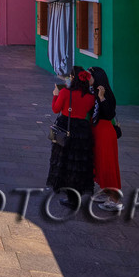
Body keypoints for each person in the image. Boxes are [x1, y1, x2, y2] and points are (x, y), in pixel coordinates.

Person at [46, 68, 96, 196]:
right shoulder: (91, 97)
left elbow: (55, 109)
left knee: (62, 157)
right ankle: (76, 188)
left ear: (73, 78)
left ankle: (63, 186)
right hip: (82, 129)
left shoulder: (64, 92)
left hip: (65, 125)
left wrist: (55, 94)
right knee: (77, 159)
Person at [88, 67, 122, 205]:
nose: (87, 77)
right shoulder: (91, 91)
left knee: (108, 165)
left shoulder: (106, 93)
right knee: (99, 164)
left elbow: (109, 114)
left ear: (97, 77)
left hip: (105, 133)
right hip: (96, 131)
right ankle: (105, 190)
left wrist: (101, 98)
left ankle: (115, 199)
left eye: (89, 76)